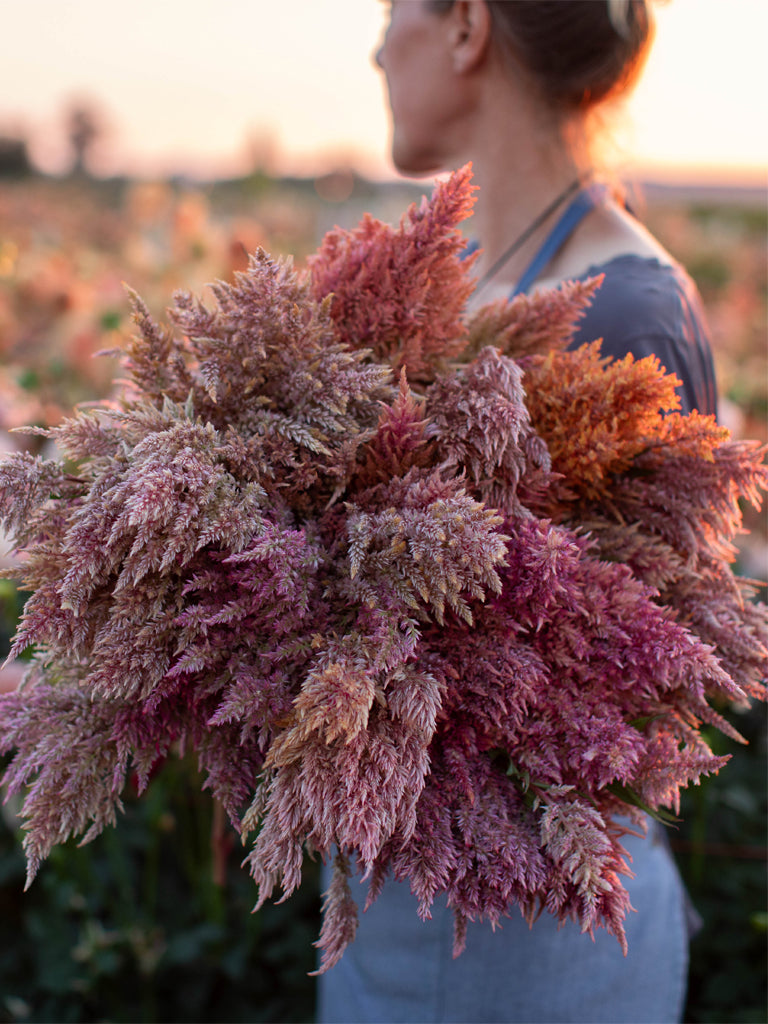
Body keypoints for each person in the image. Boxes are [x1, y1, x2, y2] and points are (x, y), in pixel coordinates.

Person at [317, 3, 717, 1022]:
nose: (374, 47)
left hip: (532, 959)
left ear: (465, 26)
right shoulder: (455, 274)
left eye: (391, 9)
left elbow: (616, 718)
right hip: (389, 931)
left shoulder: (625, 317)